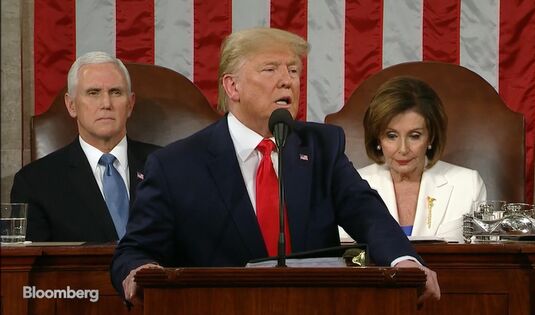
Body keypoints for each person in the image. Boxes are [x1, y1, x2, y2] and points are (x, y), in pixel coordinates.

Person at [110, 27, 440, 307]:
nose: (287, 81)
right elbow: (135, 251)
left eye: (293, 71)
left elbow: (367, 213)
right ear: (232, 86)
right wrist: (140, 273)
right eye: (270, 70)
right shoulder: (176, 166)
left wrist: (405, 261)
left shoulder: (322, 147)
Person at [10, 51, 160, 242]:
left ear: (130, 104)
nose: (106, 104)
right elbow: (35, 268)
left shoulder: (168, 166)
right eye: (93, 93)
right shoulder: (35, 182)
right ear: (71, 105)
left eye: (115, 92)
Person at [340, 76, 486, 242]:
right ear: (377, 138)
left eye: (415, 136)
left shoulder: (468, 184)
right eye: (391, 135)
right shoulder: (351, 184)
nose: (403, 149)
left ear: (430, 137)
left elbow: (482, 259)